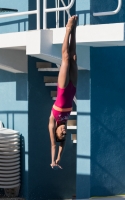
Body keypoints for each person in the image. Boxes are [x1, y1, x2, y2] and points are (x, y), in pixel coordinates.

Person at [48, 15, 78, 170]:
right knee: (73, 57)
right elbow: (62, 146)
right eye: (65, 133)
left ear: (57, 132)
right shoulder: (64, 124)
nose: (65, 131)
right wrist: (60, 158)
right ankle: (75, 30)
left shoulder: (53, 122)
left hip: (63, 87)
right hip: (72, 88)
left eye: (63, 133)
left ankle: (68, 29)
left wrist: (53, 160)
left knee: (65, 58)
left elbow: (54, 144)